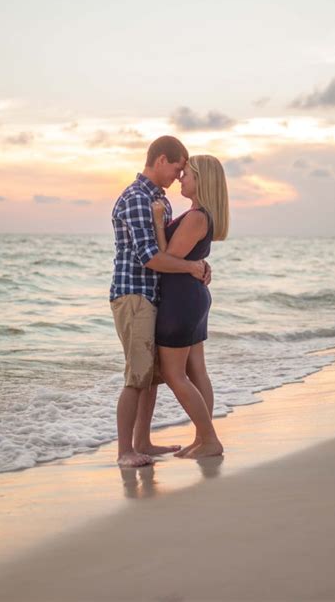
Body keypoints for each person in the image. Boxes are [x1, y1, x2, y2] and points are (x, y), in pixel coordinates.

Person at [110, 136, 211, 467]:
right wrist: (193, 267)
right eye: (177, 168)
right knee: (137, 375)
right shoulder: (137, 199)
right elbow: (151, 257)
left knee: (151, 377)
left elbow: (170, 248)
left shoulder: (160, 202)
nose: (179, 176)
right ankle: (125, 451)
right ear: (162, 160)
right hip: (135, 294)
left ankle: (144, 442)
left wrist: (195, 264)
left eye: (185, 171)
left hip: (154, 296)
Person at [151, 155, 229, 458]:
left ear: (201, 181)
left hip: (181, 299)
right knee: (197, 372)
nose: (181, 179)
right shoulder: (199, 215)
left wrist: (158, 222)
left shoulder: (197, 217)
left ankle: (209, 439)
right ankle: (203, 439)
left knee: (174, 374)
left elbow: (165, 259)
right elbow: (184, 258)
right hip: (191, 297)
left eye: (187, 175)